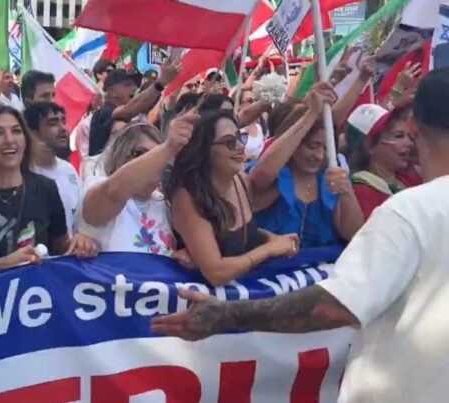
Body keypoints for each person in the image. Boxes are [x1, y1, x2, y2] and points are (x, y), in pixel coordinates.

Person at [150, 67, 449, 403]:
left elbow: (335, 306)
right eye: (228, 142)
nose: (316, 153)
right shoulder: (407, 211)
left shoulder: (406, 212)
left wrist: (226, 314)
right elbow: (262, 176)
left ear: (413, 127)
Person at [166, 111, 299, 285]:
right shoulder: (187, 197)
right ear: (205, 150)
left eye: (239, 137)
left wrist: (271, 238)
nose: (240, 146)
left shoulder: (241, 181)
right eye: (229, 142)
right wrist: (269, 249)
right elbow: (216, 273)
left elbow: (239, 233)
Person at [0, 105, 97, 271]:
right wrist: (3, 265)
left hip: (39, 294)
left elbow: (61, 249)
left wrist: (80, 243)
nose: (9, 139)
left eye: (16, 131)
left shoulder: (46, 188)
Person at [248, 83, 364, 248]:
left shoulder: (332, 178)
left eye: (325, 148)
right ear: (294, 143)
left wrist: (346, 192)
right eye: (312, 146)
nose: (319, 156)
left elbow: (354, 234)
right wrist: (311, 114)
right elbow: (260, 176)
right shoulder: (275, 175)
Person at [78, 123, 177, 255]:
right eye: (139, 153)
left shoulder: (164, 205)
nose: (150, 161)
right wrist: (169, 147)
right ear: (119, 157)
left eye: (157, 155)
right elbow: (113, 192)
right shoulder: (98, 186)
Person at [89, 60, 180, 156]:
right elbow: (128, 110)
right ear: (112, 91)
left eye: (135, 84)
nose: (134, 88)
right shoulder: (104, 113)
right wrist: (161, 83)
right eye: (127, 85)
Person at [346, 104, 420, 220]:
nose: (409, 143)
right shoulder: (361, 190)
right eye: (398, 136)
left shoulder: (409, 178)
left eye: (409, 136)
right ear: (370, 145)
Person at [25, 102, 82, 235]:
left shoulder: (69, 169)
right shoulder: (23, 174)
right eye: (52, 123)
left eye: (63, 121)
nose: (63, 128)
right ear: (32, 132)